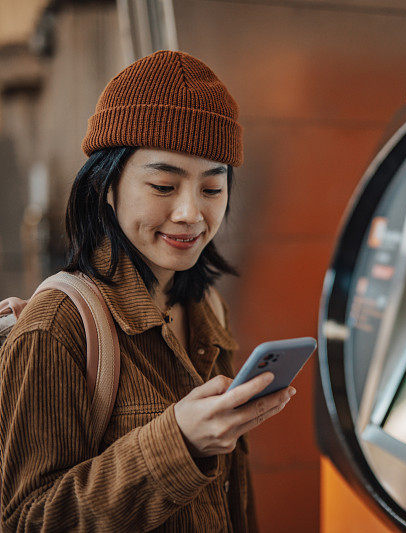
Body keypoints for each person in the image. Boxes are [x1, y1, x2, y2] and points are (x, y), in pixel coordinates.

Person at [0, 50, 288, 531]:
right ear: (106, 188)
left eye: (213, 189)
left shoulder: (205, 304)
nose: (191, 213)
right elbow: (28, 520)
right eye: (162, 185)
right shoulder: (57, 325)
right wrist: (178, 444)